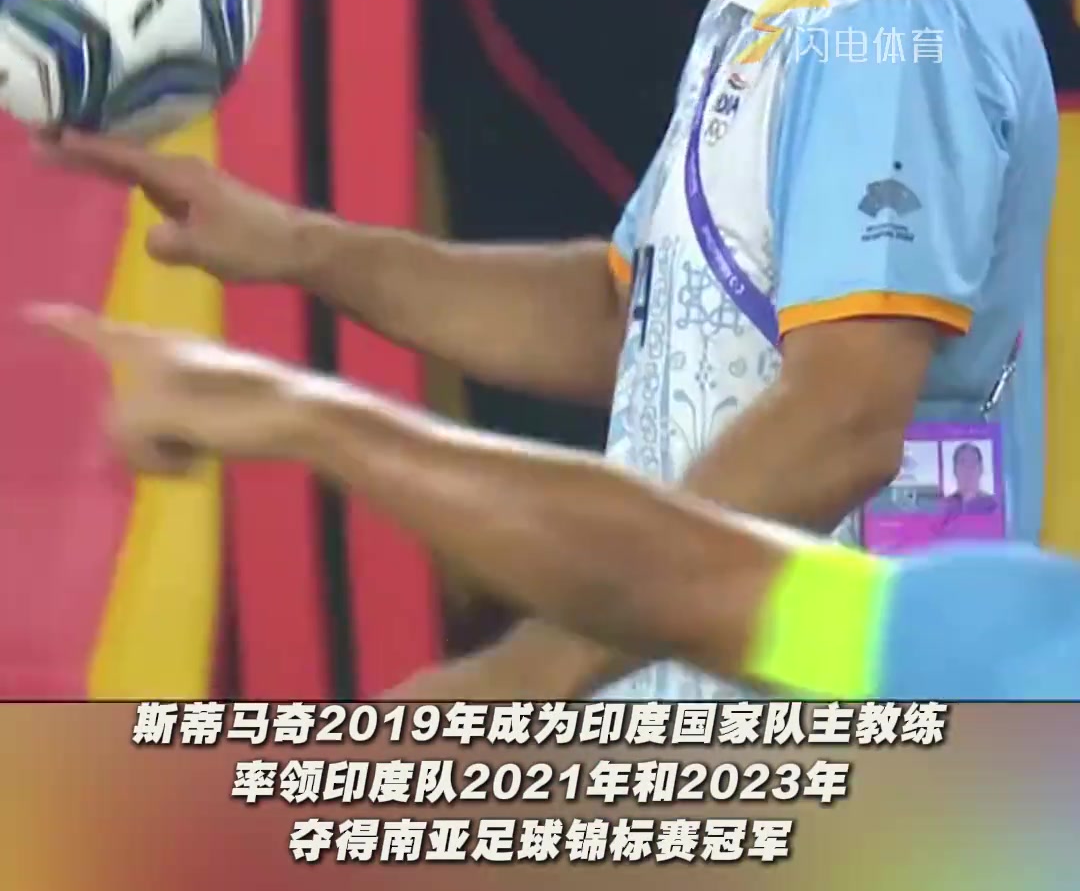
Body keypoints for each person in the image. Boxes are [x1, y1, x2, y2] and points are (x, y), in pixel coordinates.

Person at [39, 0, 1058, 703]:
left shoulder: (892, 12)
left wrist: (542, 665)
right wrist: (293, 247)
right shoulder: (773, 6)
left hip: (856, 771)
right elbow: (622, 318)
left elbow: (842, 418)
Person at [30, 306, 1080, 700]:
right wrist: (302, 411)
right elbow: (697, 588)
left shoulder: (1022, 662)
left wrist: (299, 415)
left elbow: (696, 589)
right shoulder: (1014, 646)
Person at [941, 441, 998, 516]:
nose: (968, 469)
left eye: (973, 463)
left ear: (981, 469)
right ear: (955, 470)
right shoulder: (945, 507)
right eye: (963, 463)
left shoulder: (993, 506)